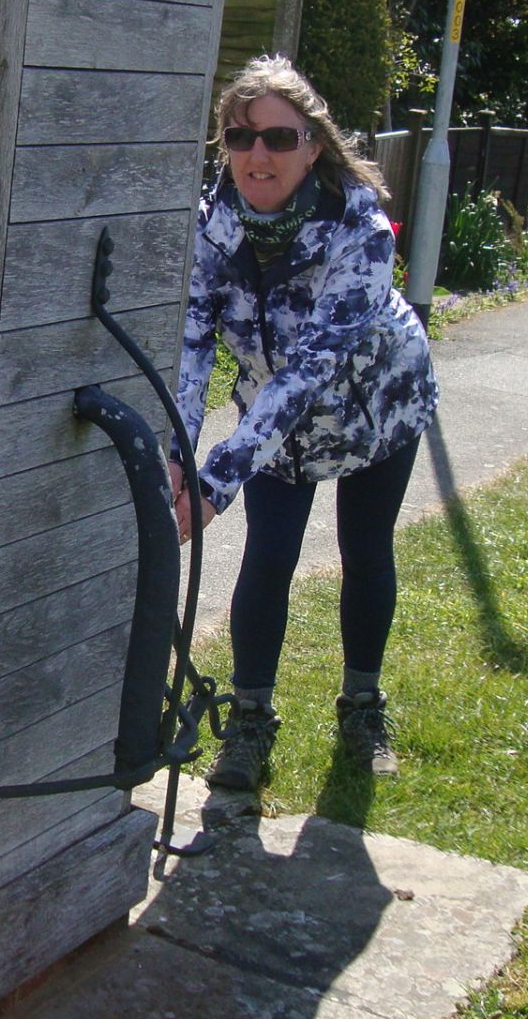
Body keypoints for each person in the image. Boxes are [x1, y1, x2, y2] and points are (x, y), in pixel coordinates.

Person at [169, 55, 438, 786]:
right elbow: (192, 346)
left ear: (313, 146)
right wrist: (177, 453)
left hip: (375, 410)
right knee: (269, 554)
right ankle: (250, 722)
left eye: (279, 138)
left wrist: (216, 482)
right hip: (274, 423)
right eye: (240, 136)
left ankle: (362, 706)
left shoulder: (361, 229)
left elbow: (312, 369)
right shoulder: (210, 227)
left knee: (365, 550)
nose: (258, 154)